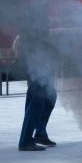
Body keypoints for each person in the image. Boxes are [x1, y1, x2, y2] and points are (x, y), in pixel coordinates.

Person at [17, 10, 58, 151]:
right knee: (35, 105)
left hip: (43, 70)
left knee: (50, 97)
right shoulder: (29, 34)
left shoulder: (39, 33)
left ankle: (40, 133)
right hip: (36, 72)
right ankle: (25, 141)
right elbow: (27, 54)